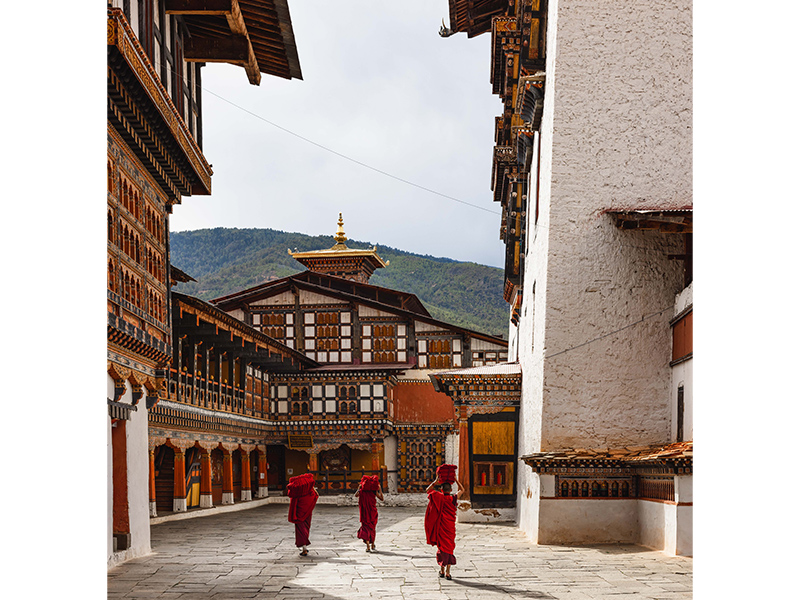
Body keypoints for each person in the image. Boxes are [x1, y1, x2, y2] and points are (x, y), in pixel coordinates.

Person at [424, 475, 464, 579]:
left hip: (441, 527)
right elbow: (462, 490)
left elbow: (428, 490)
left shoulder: (438, 496)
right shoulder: (453, 498)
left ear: (441, 490)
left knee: (442, 548)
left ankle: (441, 571)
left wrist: (435, 481)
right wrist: (456, 480)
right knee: (449, 548)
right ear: (451, 489)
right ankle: (448, 572)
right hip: (450, 527)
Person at [287, 473, 319, 556]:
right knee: (306, 527)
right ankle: (304, 547)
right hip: (307, 512)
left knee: (300, 529)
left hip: (299, 513)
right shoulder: (309, 493)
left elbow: (291, 495)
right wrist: (312, 488)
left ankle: (304, 548)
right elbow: (316, 495)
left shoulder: (297, 494)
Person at [354, 474, 384, 552]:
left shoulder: (361, 491)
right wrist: (379, 489)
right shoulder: (373, 491)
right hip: (372, 512)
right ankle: (373, 543)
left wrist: (358, 488)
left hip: (364, 512)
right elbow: (382, 499)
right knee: (372, 528)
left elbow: (356, 495)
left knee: (365, 528)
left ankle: (368, 546)